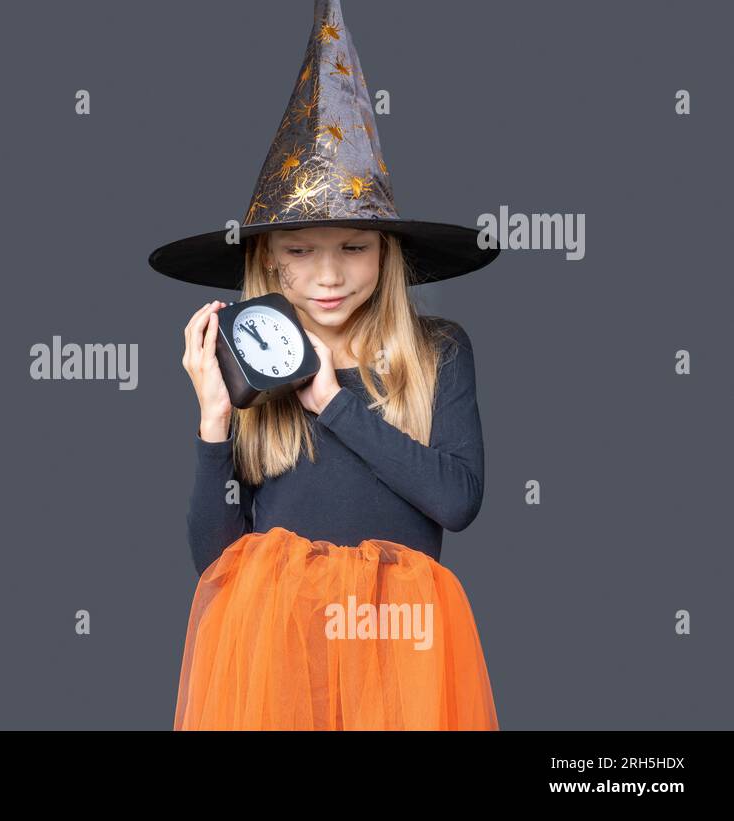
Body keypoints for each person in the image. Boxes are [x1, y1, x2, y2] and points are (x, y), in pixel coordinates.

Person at [147, 0, 502, 730]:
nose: (328, 275)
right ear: (268, 260)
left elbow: (458, 501)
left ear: (387, 253)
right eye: (301, 252)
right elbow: (214, 563)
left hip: (400, 644)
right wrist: (214, 420)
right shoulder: (249, 367)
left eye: (353, 248)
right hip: (275, 650)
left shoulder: (437, 352)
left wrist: (327, 397)